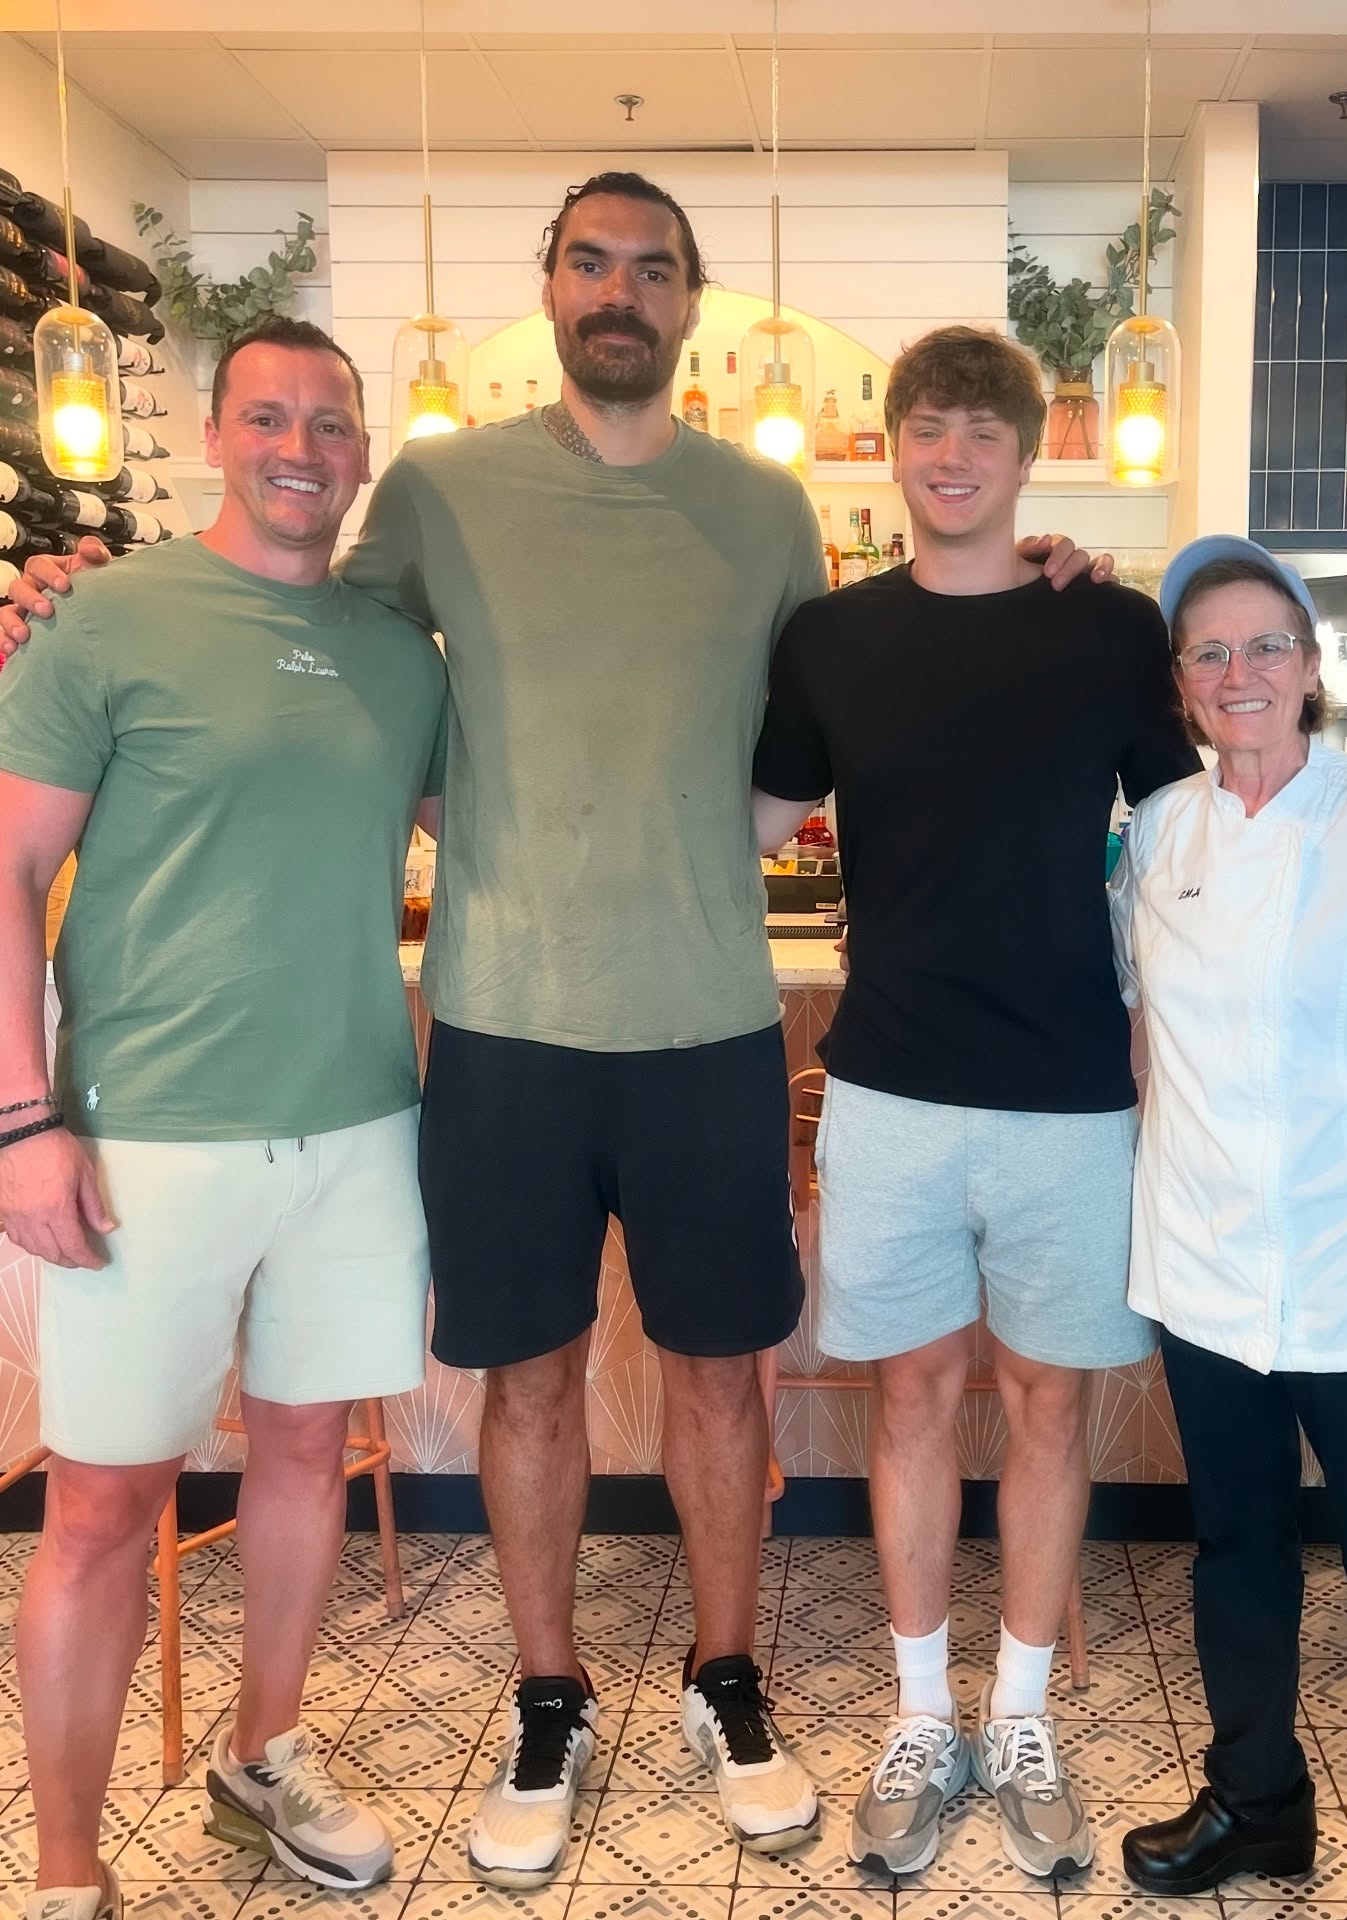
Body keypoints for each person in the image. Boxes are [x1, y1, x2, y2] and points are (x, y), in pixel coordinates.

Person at [0, 174, 1103, 1889]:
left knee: (717, 1374)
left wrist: (1040, 573)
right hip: (502, 1026)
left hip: (712, 1021)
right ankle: (545, 1692)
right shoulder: (434, 487)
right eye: (591, 260)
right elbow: (300, 612)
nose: (620, 290)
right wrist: (91, 593)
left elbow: (867, 672)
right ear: (553, 286)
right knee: (522, 1379)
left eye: (653, 270)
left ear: (689, 305)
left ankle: (726, 1684)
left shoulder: (767, 511)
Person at [0, 316, 446, 1920]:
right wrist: (18, 1119)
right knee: (103, 1499)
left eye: (333, 426)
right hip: (148, 1135)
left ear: (362, 457)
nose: (303, 449)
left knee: (309, 1451)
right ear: (212, 434)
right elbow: (9, 868)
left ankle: (265, 1758)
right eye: (271, 418)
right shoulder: (109, 615)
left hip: (352, 1130)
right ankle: (64, 1866)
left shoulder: (403, 659)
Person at [751, 324, 1200, 1881]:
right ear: (889, 447)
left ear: (1029, 457)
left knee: (1054, 1403)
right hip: (888, 1083)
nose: (953, 459)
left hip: (1074, 1091)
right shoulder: (826, 638)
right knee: (918, 1399)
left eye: (983, 437)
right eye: (927, 431)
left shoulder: (1114, 629)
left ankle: (1021, 1720)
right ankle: (921, 1715)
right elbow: (742, 818)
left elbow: (1195, 834)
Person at [1110, 535, 1347, 1920]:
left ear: (1308, 667)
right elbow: (1146, 1038)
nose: (1239, 673)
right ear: (1183, 685)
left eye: (1265, 646)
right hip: (1206, 1269)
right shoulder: (1158, 833)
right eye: (1209, 652)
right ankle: (1260, 1807)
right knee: (1237, 1550)